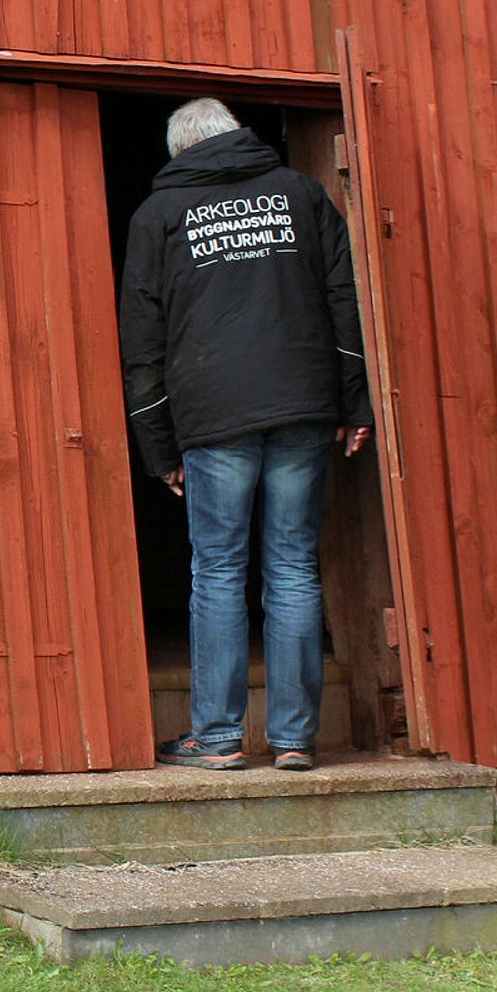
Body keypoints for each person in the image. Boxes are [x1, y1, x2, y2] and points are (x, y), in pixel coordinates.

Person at [120, 98, 374, 773]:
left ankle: (218, 736)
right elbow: (343, 298)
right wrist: (355, 402)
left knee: (219, 570)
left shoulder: (159, 215)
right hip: (303, 403)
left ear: (180, 151)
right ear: (236, 133)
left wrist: (158, 447)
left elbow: (142, 339)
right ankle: (293, 739)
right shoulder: (300, 194)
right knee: (292, 564)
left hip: (214, 414)